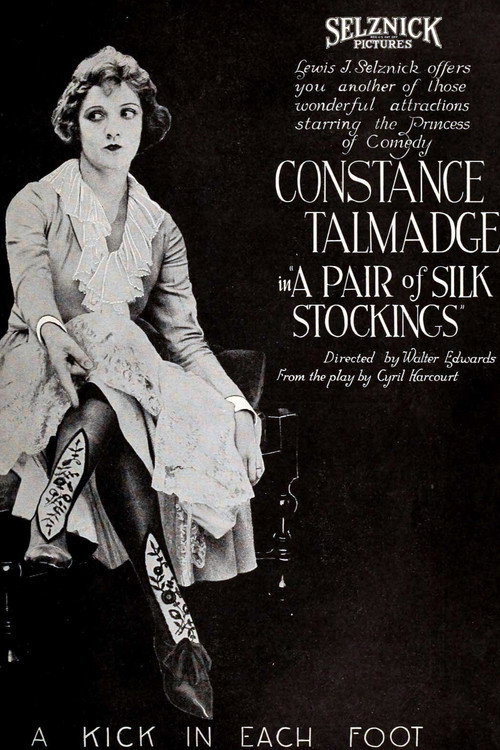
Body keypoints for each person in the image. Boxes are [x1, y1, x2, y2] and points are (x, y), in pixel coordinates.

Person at [0, 46, 264, 719]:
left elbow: (185, 338)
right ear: (74, 124)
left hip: (113, 388)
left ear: (147, 123)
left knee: (124, 370)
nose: (113, 128)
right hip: (40, 367)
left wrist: (238, 407)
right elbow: (30, 282)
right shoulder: (36, 201)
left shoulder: (160, 228)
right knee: (115, 349)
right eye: (96, 115)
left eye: (127, 114)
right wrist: (54, 331)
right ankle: (174, 625)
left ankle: (50, 526)